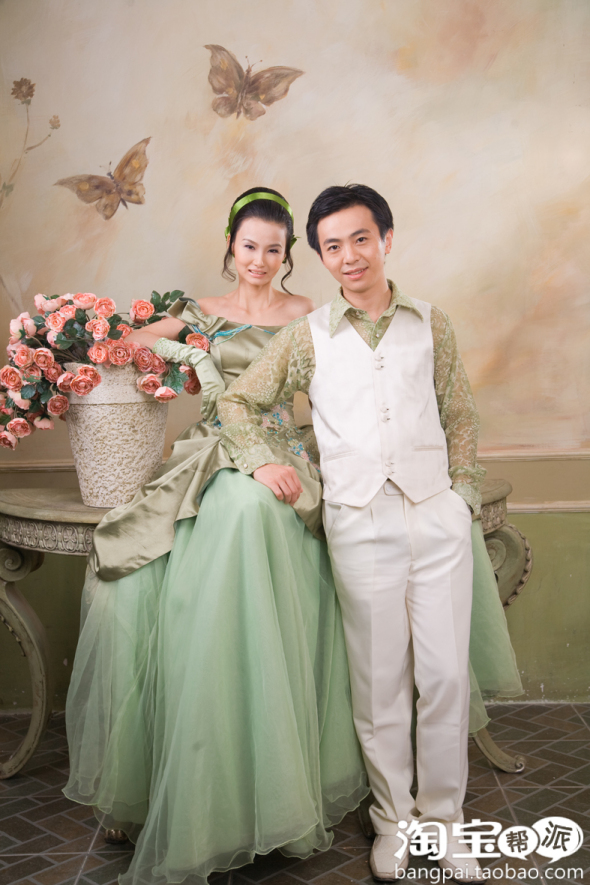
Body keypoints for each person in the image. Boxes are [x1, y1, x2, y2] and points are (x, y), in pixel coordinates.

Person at [64, 187, 369, 885]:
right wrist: (190, 353)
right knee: (131, 579)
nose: (259, 259)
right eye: (249, 245)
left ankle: (269, 788)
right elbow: (121, 344)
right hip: (209, 450)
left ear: (287, 254)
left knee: (248, 515)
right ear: (232, 245)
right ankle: (152, 788)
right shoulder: (200, 311)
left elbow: (347, 386)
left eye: (273, 249)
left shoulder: (309, 313)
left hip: (278, 451)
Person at [218, 184, 522, 883]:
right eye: (332, 246)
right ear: (320, 257)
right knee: (381, 685)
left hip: (435, 516)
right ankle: (394, 823)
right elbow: (238, 400)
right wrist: (261, 459)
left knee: (445, 678)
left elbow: (460, 413)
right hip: (359, 523)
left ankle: (446, 824)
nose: (349, 255)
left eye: (360, 238)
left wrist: (462, 496)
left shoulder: (432, 323)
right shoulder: (308, 335)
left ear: (385, 238)